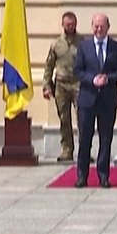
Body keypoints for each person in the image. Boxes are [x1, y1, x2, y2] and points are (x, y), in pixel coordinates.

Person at [72, 13, 117, 188]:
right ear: (91, 27)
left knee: (106, 138)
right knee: (85, 139)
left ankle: (103, 175)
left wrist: (108, 78)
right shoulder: (83, 47)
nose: (98, 29)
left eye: (102, 26)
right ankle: (82, 175)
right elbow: (77, 70)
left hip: (108, 100)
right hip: (87, 99)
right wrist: (92, 79)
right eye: (96, 26)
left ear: (108, 27)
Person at [42, 11, 81, 163]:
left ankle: (84, 149)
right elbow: (49, 66)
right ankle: (67, 149)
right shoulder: (56, 44)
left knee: (82, 119)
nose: (70, 26)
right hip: (61, 85)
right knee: (64, 118)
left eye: (72, 24)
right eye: (67, 24)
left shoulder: (83, 43)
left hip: (79, 84)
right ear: (63, 24)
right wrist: (46, 85)